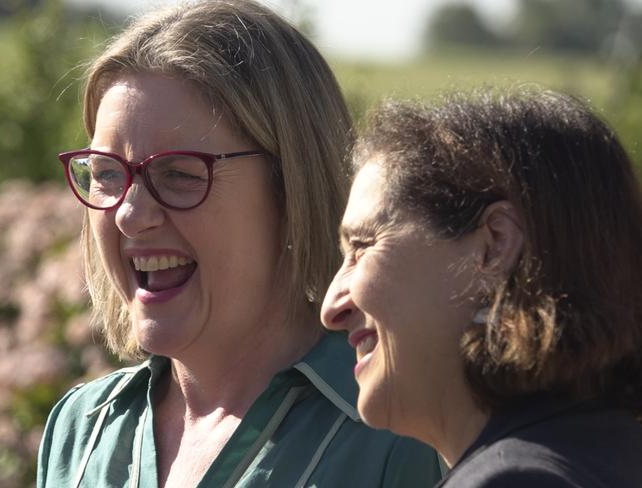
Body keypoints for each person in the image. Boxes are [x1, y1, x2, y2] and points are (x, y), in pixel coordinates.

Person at [36, 1, 443, 487]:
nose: (129, 214)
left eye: (179, 174)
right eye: (106, 173)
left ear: (292, 187)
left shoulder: (399, 437)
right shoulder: (82, 429)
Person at [321, 88, 642, 487]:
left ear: (495, 245)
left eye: (362, 246)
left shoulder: (516, 479)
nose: (331, 308)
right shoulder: (606, 456)